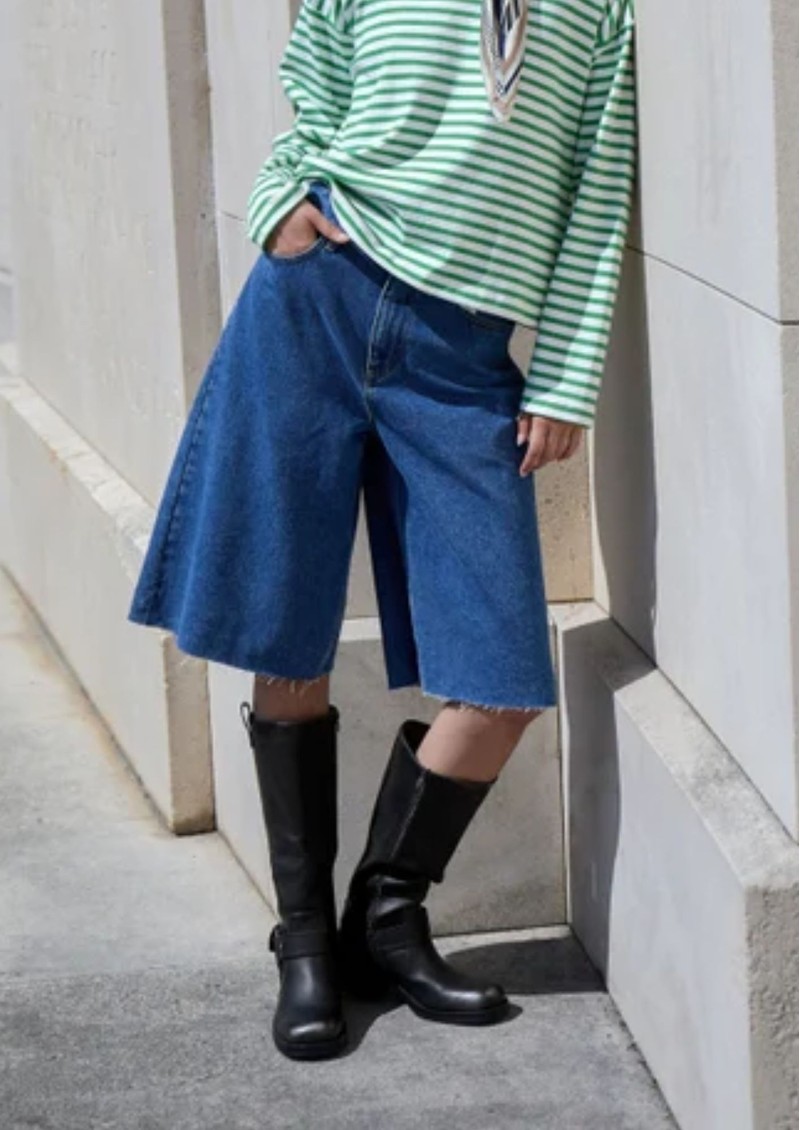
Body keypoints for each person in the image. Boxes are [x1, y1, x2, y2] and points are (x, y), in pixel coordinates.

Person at [127, 0, 637, 1061]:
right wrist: (279, 203)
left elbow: (596, 194)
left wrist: (564, 377)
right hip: (314, 298)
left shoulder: (601, 10)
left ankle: (385, 918)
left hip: (461, 358)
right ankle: (306, 941)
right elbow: (314, 88)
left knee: (500, 678)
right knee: (285, 630)